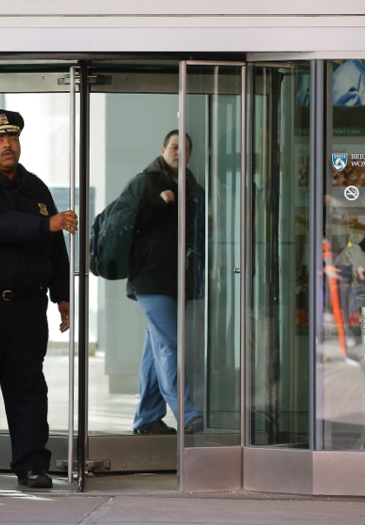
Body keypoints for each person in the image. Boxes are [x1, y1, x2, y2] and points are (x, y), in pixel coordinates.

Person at [0, 109, 77, 489]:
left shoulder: (34, 186)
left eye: (12, 138)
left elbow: (54, 244)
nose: (7, 145)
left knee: (28, 388)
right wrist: (45, 224)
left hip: (26, 307)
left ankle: (31, 465)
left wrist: (62, 295)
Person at [124, 130, 205, 435]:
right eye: (173, 147)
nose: (177, 152)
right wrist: (159, 204)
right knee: (171, 346)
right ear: (162, 150)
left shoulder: (193, 187)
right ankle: (187, 414)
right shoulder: (145, 182)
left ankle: (147, 418)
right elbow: (127, 222)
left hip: (178, 280)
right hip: (151, 279)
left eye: (184, 149)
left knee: (156, 348)